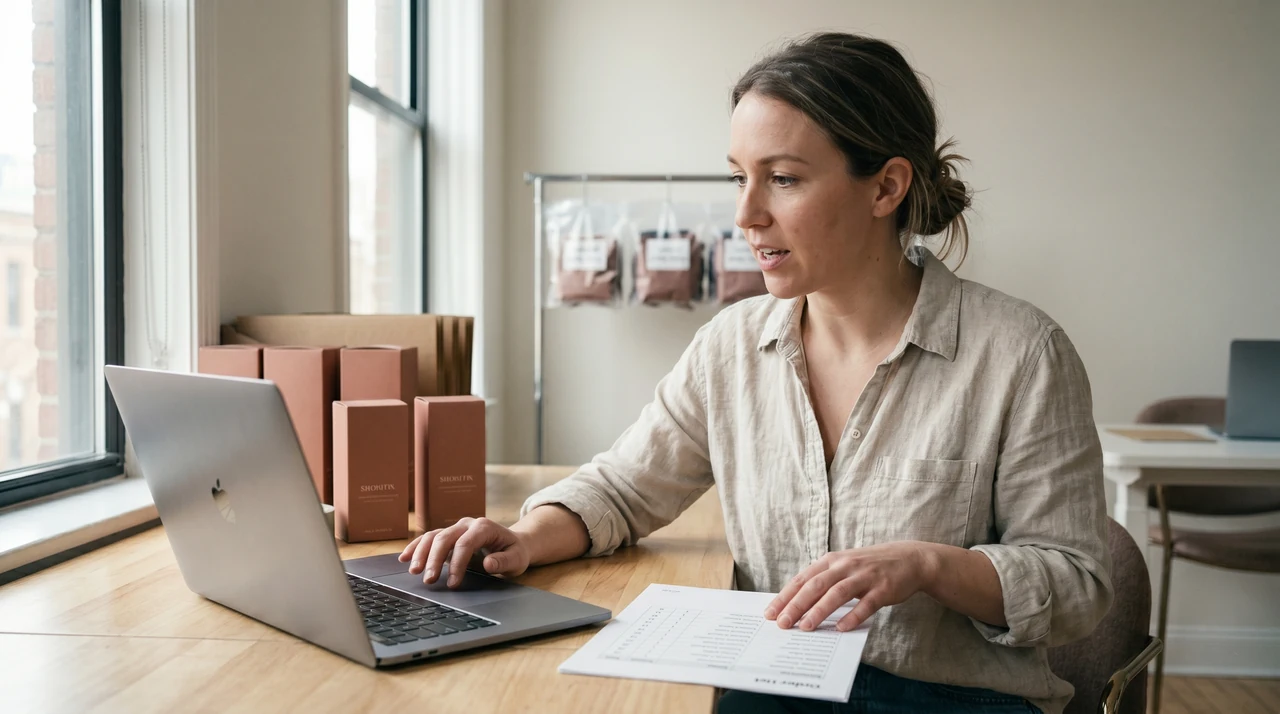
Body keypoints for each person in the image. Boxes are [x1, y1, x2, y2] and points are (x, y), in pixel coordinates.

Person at [399, 31, 1112, 714]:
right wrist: (524, 537)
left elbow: (1077, 584)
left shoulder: (1021, 353)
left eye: (783, 180)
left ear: (886, 186)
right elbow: (622, 487)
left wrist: (928, 567)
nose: (746, 214)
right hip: (773, 686)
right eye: (739, 178)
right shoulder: (731, 346)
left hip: (955, 697)